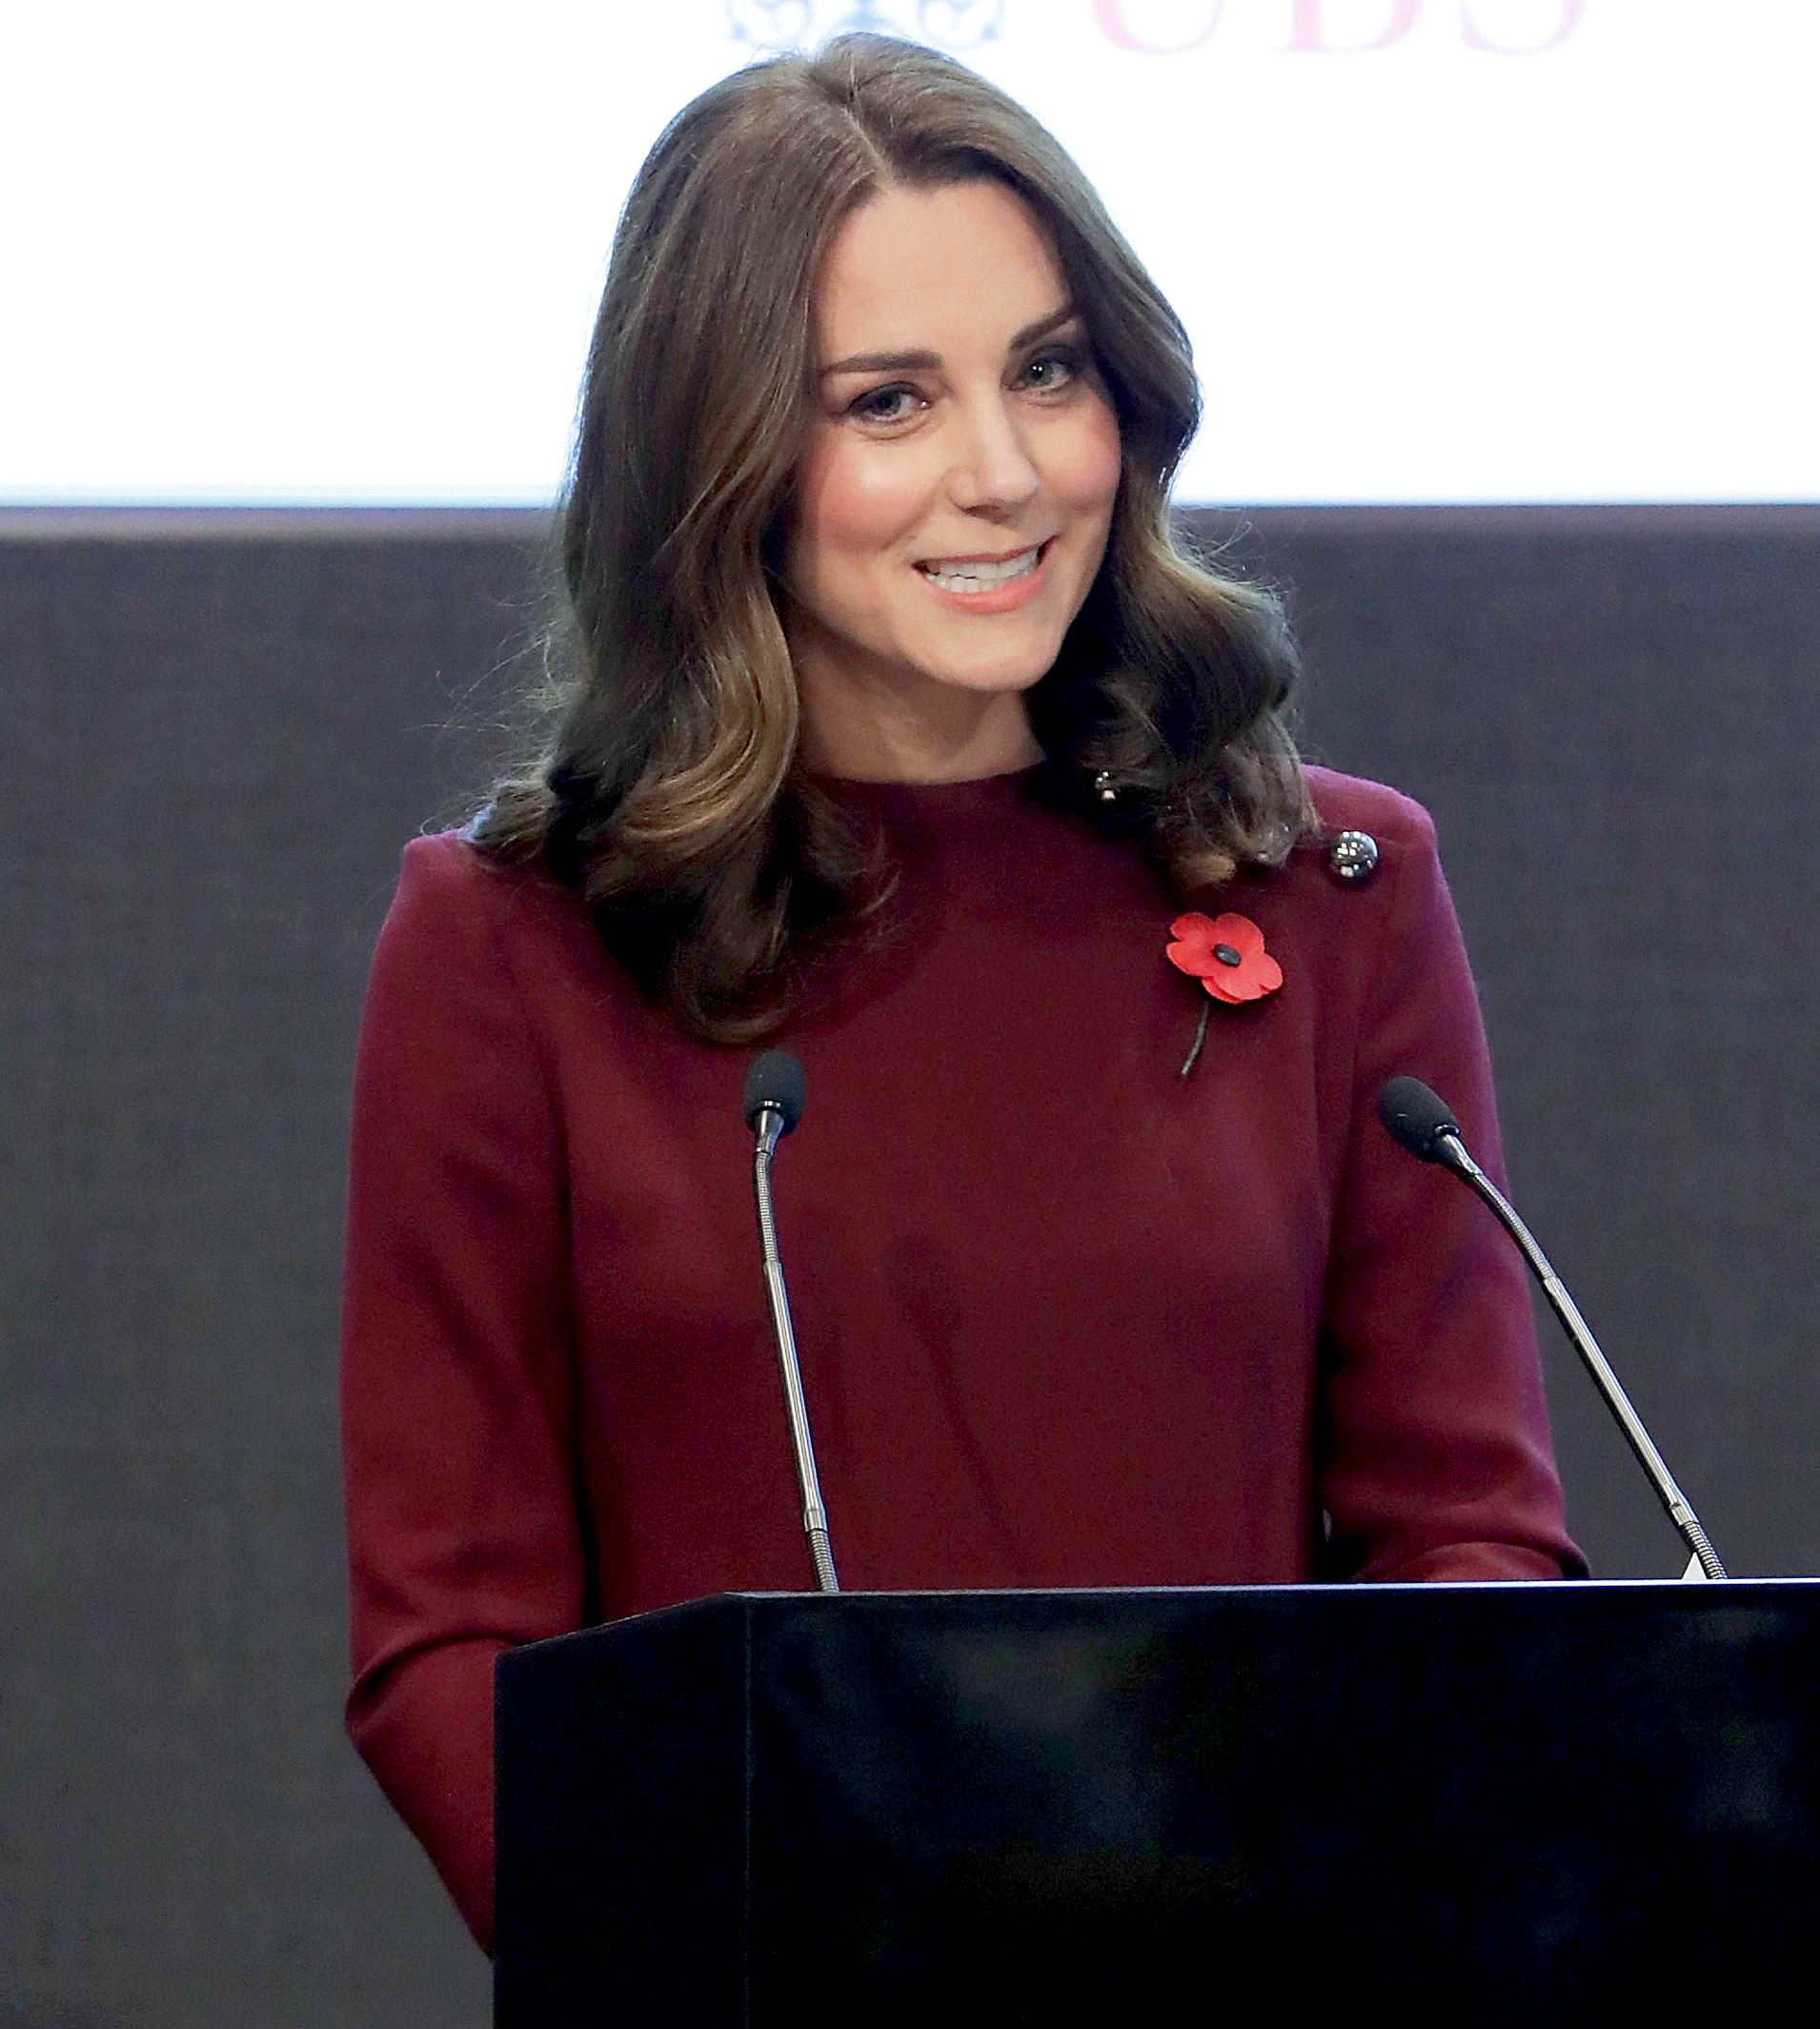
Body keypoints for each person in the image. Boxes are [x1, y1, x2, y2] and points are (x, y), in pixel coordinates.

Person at [339, 32, 1583, 1953]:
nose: (1003, 475)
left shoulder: (1332, 900)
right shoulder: (517, 951)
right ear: (720, 453)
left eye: (1049, 372)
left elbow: (1471, 1539)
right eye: (888, 401)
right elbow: (450, 1641)